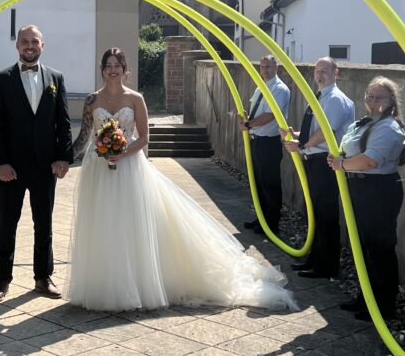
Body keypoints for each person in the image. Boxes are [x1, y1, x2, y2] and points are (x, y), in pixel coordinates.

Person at [67, 48, 293, 312]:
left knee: (130, 223)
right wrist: (62, 159)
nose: (112, 70)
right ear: (102, 69)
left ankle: (134, 283)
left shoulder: (136, 98)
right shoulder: (92, 100)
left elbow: (144, 138)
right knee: (101, 223)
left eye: (117, 65)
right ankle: (103, 282)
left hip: (129, 168)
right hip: (98, 170)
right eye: (108, 65)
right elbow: (83, 137)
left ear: (125, 69)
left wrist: (122, 153)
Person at [0, 24, 72, 302]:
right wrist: (0, 162)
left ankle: (43, 277)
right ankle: (1, 280)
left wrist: (63, 157)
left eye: (35, 41)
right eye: (25, 41)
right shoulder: (1, 79)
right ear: (17, 45)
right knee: (7, 223)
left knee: (44, 223)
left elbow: (63, 122)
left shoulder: (56, 78)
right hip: (11, 167)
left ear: (42, 45)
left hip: (45, 166)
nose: (29, 46)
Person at [328, 76, 405, 321]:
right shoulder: (365, 123)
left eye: (379, 97)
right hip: (360, 188)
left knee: (379, 248)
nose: (373, 101)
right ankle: (365, 300)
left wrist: (341, 164)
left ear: (391, 100)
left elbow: (370, 160)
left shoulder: (388, 127)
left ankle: (382, 307)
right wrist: (340, 160)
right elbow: (349, 150)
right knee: (363, 247)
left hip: (378, 191)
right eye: (369, 96)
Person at [283, 56, 355, 279]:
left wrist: (301, 145)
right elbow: (314, 132)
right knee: (315, 213)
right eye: (317, 70)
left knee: (326, 215)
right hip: (315, 161)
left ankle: (326, 266)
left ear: (336, 72)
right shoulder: (321, 97)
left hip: (326, 163)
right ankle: (315, 259)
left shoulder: (335, 99)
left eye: (324, 70)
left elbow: (325, 132)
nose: (319, 74)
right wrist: (295, 135)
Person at [239, 55, 291, 237]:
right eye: (262, 67)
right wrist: (245, 119)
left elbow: (270, 115)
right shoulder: (261, 87)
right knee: (258, 182)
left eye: (268, 66)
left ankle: (271, 222)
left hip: (269, 142)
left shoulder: (280, 89)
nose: (265, 70)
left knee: (270, 183)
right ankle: (261, 218)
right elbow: (257, 111)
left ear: (276, 67)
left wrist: (248, 125)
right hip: (257, 140)